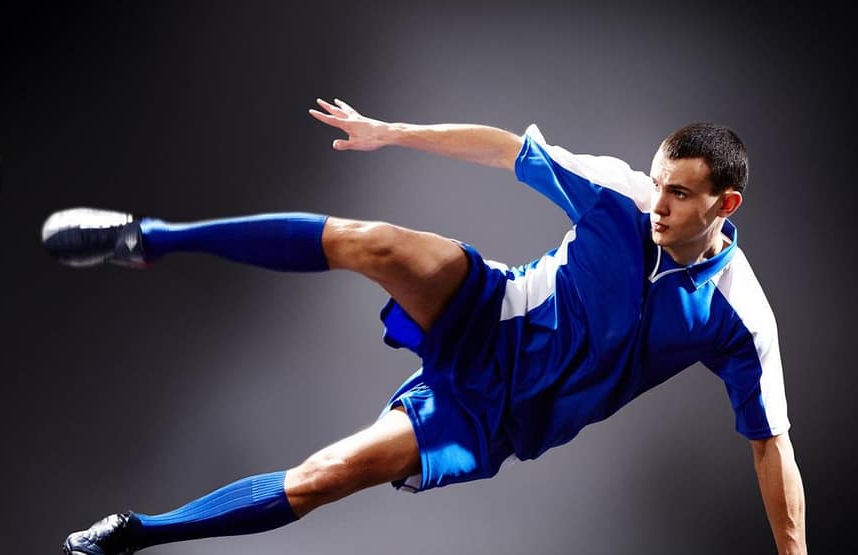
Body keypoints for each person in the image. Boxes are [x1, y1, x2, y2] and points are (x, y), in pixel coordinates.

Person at [45, 98, 806, 555]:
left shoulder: (739, 314)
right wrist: (392, 130)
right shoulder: (618, 195)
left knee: (325, 476)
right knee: (368, 240)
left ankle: (135, 532)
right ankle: (150, 237)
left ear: (724, 205)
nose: (657, 205)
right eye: (657, 183)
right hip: (492, 307)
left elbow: (771, 445)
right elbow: (509, 149)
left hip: (492, 416)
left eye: (677, 195)